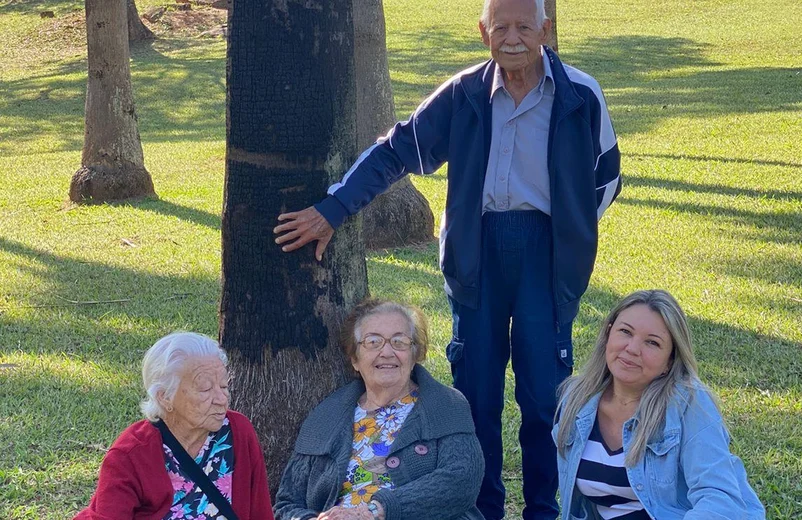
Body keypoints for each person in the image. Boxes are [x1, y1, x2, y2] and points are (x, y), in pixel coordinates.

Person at [273, 0, 620, 517]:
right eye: (500, 27)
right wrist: (332, 210)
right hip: (476, 256)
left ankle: (545, 510)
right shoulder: (464, 93)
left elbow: (607, 176)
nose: (513, 38)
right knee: (475, 394)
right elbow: (394, 151)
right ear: (483, 33)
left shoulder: (580, 94)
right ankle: (481, 509)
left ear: (546, 31)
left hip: (545, 261)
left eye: (525, 26)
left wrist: (570, 229)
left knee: (544, 396)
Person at [553, 290, 766, 520]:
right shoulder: (576, 399)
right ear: (608, 333)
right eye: (625, 331)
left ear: (670, 361)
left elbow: (720, 497)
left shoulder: (689, 404)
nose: (633, 349)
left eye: (652, 343)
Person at [273, 299, 485, 520]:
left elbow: (462, 480)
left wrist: (375, 512)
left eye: (399, 341)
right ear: (354, 358)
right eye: (373, 342)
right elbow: (287, 503)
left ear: (415, 355)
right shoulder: (327, 416)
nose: (387, 352)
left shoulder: (445, 404)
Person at [75, 332, 273, 520]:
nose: (222, 399)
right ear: (165, 397)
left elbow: (260, 512)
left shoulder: (238, 431)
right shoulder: (131, 455)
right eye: (205, 389)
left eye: (224, 386)